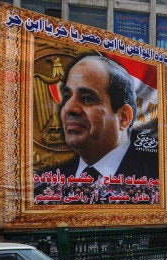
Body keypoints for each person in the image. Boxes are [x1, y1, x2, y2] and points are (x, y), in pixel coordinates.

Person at [34, 54, 158, 204]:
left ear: (123, 117)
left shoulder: (157, 176)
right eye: (67, 96)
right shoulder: (45, 185)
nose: (68, 108)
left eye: (87, 98)